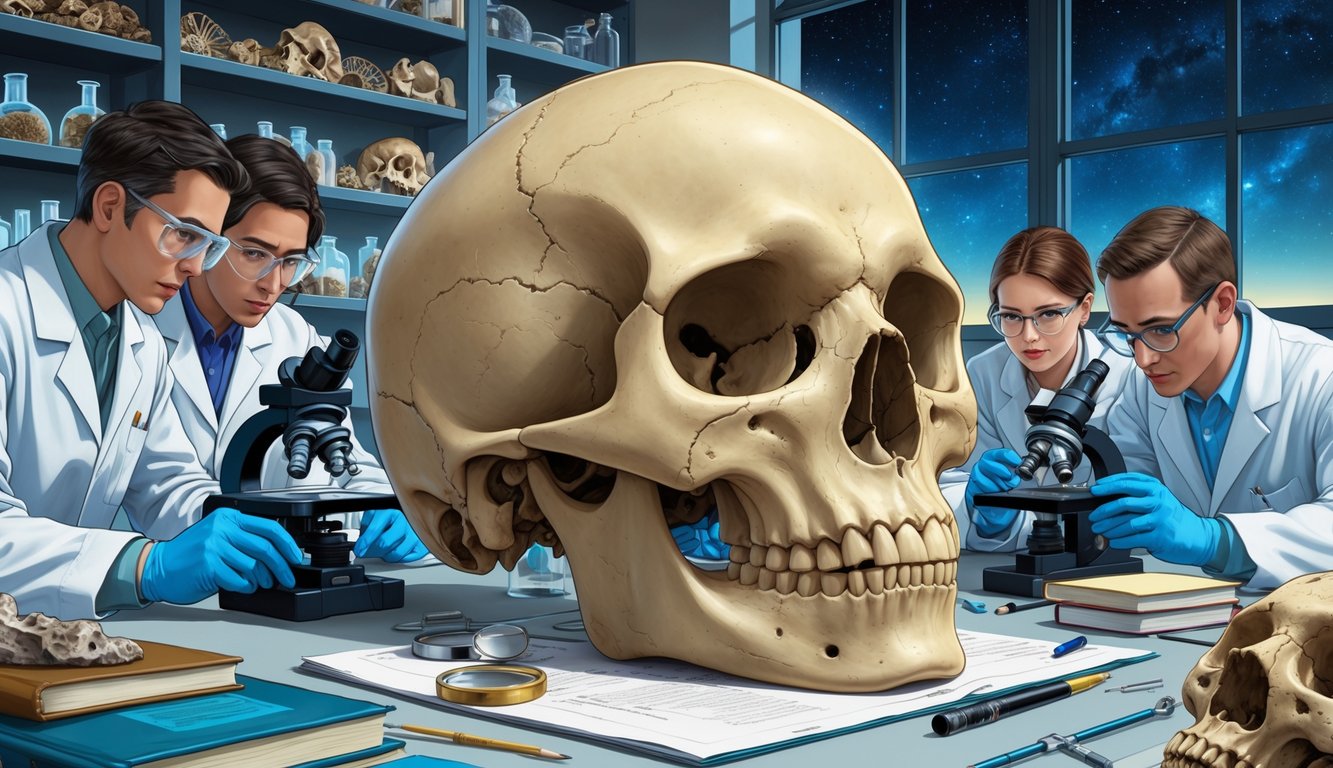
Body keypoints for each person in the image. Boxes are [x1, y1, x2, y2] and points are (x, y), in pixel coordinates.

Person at [0, 101, 303, 619]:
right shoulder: (9, 311)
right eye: (183, 234)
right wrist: (144, 567)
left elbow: (166, 482)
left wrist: (231, 525)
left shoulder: (140, 339)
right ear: (110, 207)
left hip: (53, 632)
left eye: (207, 244)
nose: (192, 266)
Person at [153, 134, 428, 563]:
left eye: (291, 261)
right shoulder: (140, 328)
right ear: (209, 237)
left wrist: (385, 506)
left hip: (274, 575)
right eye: (253, 253)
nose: (273, 282)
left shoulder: (295, 336)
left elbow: (349, 468)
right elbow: (159, 487)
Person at [1087, 206, 1333, 589]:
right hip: (1184, 620)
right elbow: (1119, 506)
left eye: (1162, 330)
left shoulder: (1321, 376)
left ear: (1222, 304)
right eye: (1127, 334)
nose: (1143, 358)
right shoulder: (1141, 392)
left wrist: (1215, 540)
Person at [939, 226, 1134, 550]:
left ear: (1084, 309)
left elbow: (1121, 504)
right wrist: (976, 504)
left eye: (1048, 314)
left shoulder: (1126, 377)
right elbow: (951, 485)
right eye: (1011, 317)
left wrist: (1022, 511)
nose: (1028, 335)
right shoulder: (984, 373)